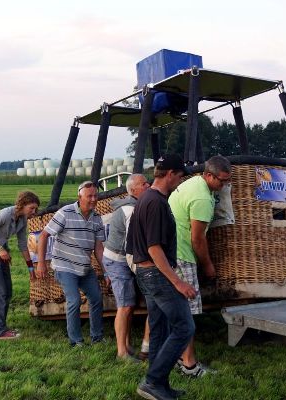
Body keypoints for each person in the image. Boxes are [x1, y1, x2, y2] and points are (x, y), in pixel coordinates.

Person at [126, 154, 197, 400]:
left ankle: (159, 385)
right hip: (156, 273)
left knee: (159, 328)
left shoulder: (145, 198)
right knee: (184, 327)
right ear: (170, 174)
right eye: (180, 176)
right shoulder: (155, 202)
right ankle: (153, 382)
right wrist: (178, 282)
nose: (180, 181)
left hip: (145, 273)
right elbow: (154, 247)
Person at [168, 155, 231, 377]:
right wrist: (208, 266)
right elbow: (197, 239)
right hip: (182, 255)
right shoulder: (203, 199)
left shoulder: (191, 183)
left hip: (169, 252)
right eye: (221, 181)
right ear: (208, 175)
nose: (223, 186)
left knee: (176, 311)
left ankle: (176, 356)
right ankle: (189, 365)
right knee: (188, 312)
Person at [36, 181, 109, 347]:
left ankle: (97, 337)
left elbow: (98, 248)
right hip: (64, 266)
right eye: (89, 196)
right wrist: (41, 263)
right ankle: (75, 341)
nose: (93, 199)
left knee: (97, 298)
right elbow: (44, 235)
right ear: (79, 197)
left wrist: (106, 272)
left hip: (84, 267)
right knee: (74, 300)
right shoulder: (65, 212)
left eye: (95, 196)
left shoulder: (97, 218)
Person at [0, 191, 40, 339]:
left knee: (8, 292)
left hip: (1, 254)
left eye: (35, 209)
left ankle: (2, 327)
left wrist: (30, 267)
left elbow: (23, 244)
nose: (34, 212)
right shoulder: (4, 215)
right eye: (31, 208)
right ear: (22, 205)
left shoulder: (23, 219)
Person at [103, 173, 150, 360]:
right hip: (118, 260)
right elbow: (133, 244)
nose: (148, 185)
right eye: (144, 184)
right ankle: (122, 352)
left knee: (129, 305)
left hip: (122, 258)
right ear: (133, 190)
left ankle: (127, 345)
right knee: (124, 306)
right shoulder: (130, 210)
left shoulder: (135, 206)